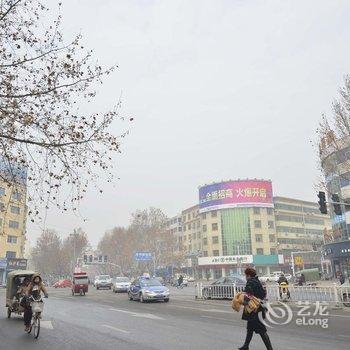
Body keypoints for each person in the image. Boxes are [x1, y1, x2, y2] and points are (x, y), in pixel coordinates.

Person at [238, 267, 273, 350]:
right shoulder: (257, 281)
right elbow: (263, 294)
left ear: (248, 275)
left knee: (262, 330)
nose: (245, 277)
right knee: (250, 328)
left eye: (245, 275)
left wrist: (245, 302)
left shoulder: (250, 282)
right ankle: (246, 346)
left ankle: (270, 348)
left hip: (253, 309)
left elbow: (248, 294)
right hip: (259, 307)